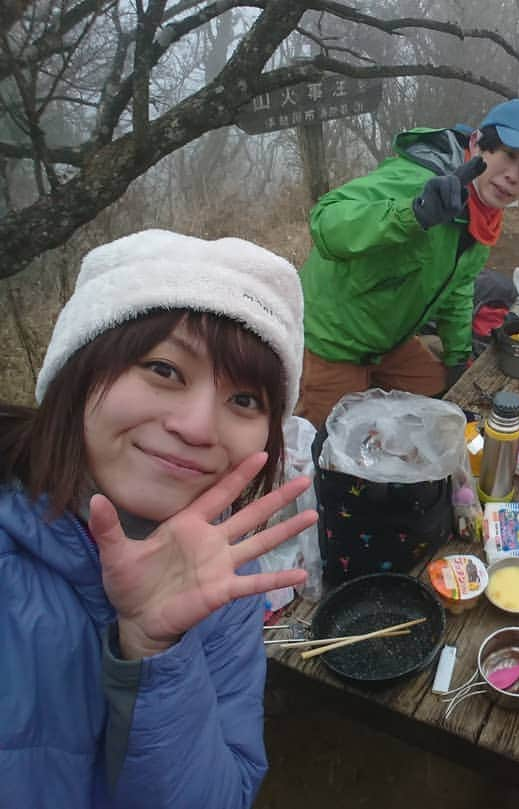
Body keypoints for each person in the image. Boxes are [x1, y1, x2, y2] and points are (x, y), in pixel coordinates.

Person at [0, 230, 316, 808]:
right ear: (79, 369)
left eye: (245, 400)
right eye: (165, 370)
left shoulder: (222, 589)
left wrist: (153, 648)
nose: (197, 427)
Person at [297, 98, 519, 428]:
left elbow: (458, 288)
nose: (513, 176)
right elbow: (326, 222)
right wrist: (414, 212)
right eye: (508, 155)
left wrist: (457, 358)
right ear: (478, 144)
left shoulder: (484, 215)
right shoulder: (418, 179)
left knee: (443, 405)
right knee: (332, 449)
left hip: (390, 343)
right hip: (333, 341)